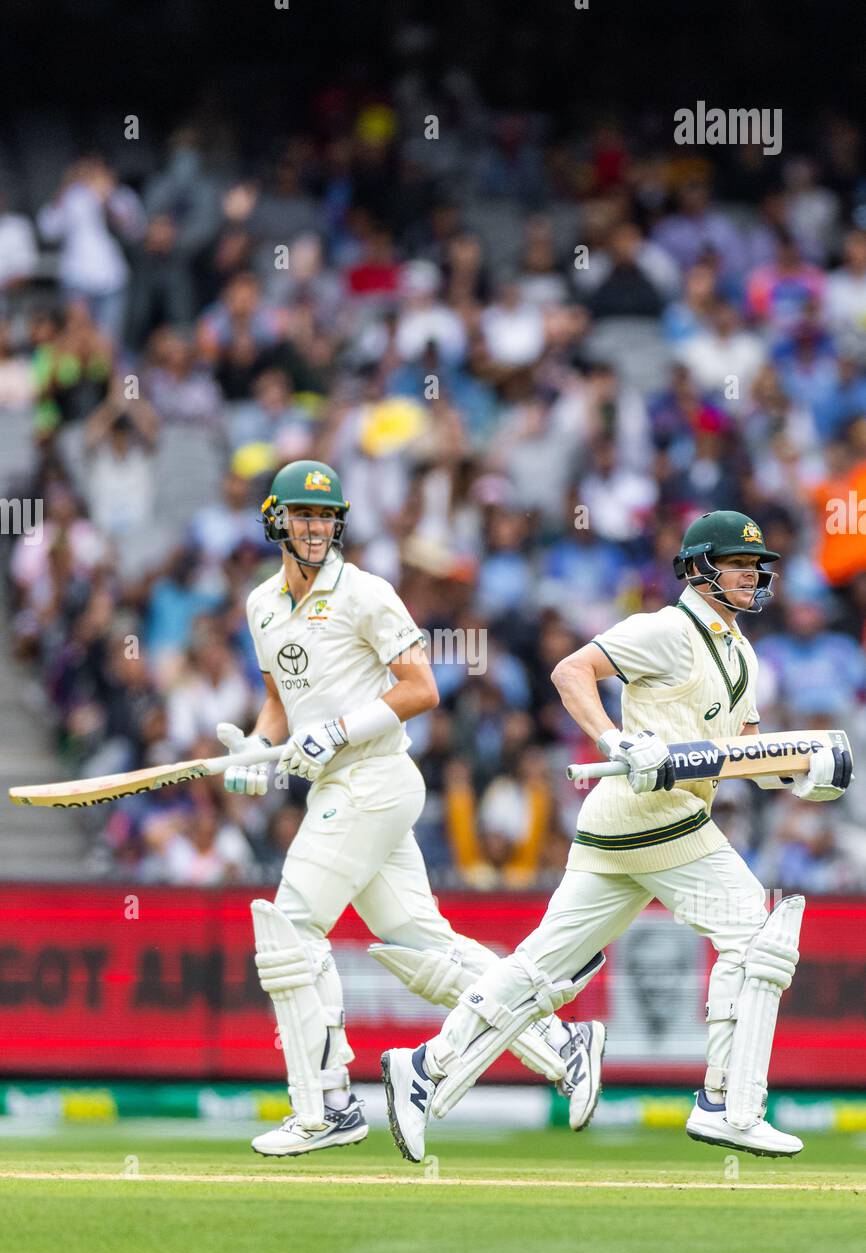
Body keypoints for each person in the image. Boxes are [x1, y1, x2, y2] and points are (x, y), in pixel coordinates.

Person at [382, 510, 853, 1162]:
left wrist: (805, 771)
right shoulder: (665, 630)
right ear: (699, 568)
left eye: (756, 564)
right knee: (756, 933)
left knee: (543, 967)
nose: (753, 574)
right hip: (649, 810)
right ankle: (728, 1104)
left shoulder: (740, 653)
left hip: (629, 821)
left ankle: (424, 1065)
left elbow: (740, 757)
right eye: (739, 562)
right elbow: (572, 671)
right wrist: (615, 738)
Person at [221, 459, 604, 1156]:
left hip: (373, 777)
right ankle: (561, 1043)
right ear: (275, 520)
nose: (315, 529)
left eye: (325, 517)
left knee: (291, 924)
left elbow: (421, 688)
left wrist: (336, 731)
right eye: (302, 517)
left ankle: (328, 1105)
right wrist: (255, 748)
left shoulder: (366, 593)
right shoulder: (261, 606)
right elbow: (282, 700)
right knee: (424, 946)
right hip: (338, 787)